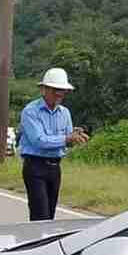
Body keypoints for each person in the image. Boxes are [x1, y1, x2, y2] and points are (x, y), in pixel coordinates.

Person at [17, 67, 89, 221]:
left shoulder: (65, 113)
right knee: (40, 216)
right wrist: (67, 139)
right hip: (35, 166)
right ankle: (37, 244)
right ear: (43, 90)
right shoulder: (30, 111)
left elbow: (67, 141)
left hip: (55, 168)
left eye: (62, 90)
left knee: (50, 216)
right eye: (55, 89)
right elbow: (39, 141)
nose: (59, 94)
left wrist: (76, 137)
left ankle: (46, 243)